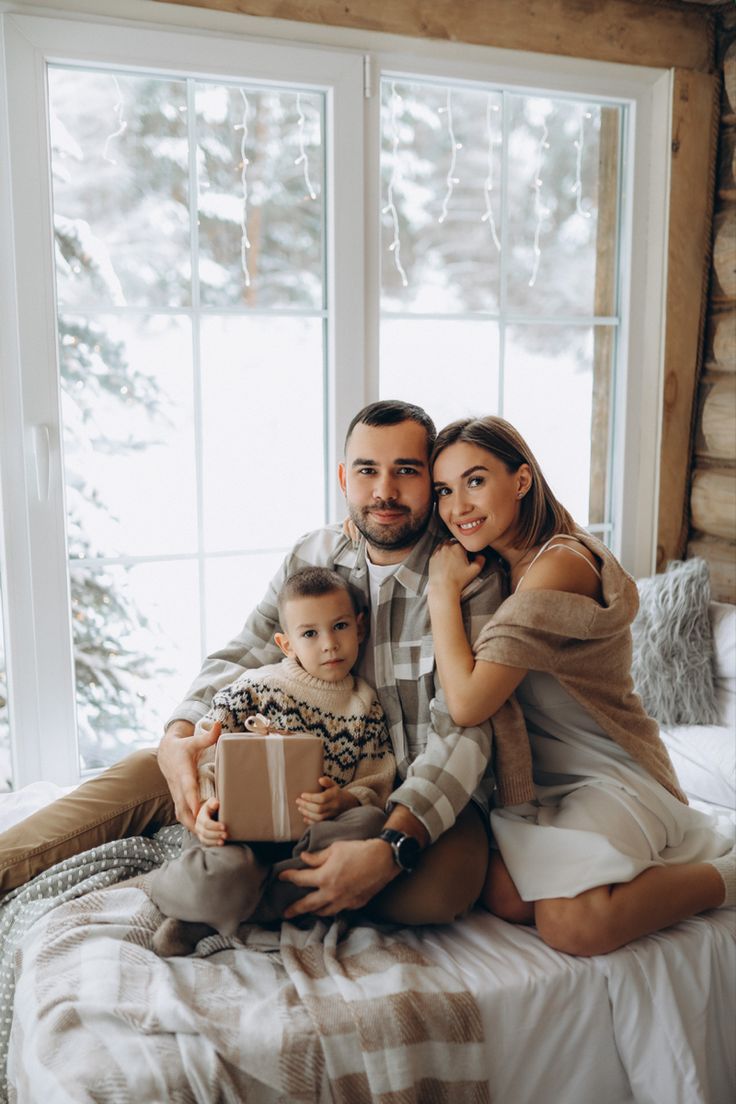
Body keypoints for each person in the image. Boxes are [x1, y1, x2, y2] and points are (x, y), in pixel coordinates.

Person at [0, 401, 504, 925]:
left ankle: (223, 882)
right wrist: (181, 735)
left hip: (395, 792)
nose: (384, 491)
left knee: (438, 891)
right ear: (342, 477)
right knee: (143, 773)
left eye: (406, 471)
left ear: (432, 478)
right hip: (280, 765)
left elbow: (466, 730)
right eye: (366, 471)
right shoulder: (316, 553)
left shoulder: (465, 577)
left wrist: (392, 846)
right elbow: (246, 650)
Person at [426, 414, 734, 956]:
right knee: (502, 895)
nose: (458, 507)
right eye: (444, 491)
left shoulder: (562, 565)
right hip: (546, 783)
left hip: (611, 774)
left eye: (475, 480)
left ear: (521, 480)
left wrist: (439, 592)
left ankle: (727, 875)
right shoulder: (499, 569)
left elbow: (470, 702)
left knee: (573, 926)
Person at [149, 567, 394, 956]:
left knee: (373, 824)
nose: (329, 644)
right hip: (236, 837)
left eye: (340, 626)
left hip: (307, 841)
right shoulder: (253, 688)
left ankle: (225, 909)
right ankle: (189, 893)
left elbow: (376, 780)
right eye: (310, 634)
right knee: (225, 873)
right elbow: (204, 754)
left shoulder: (365, 704)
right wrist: (208, 808)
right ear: (287, 644)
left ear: (360, 629)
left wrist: (344, 800)